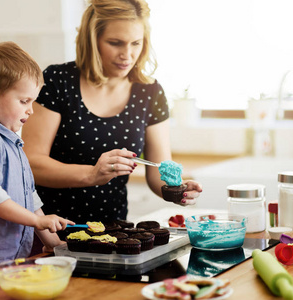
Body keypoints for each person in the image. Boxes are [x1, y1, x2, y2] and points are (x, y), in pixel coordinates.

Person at [22, 0, 202, 233]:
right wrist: (91, 174)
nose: (127, 55)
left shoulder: (149, 91)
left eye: (136, 43)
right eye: (115, 43)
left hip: (114, 231)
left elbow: (158, 171)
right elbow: (31, 164)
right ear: (92, 39)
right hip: (49, 231)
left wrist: (177, 189)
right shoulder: (58, 81)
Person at [0, 41, 74, 281]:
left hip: (11, 258)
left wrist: (53, 242)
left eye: (33, 101)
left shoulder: (13, 143)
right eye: (24, 101)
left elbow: (29, 196)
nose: (31, 110)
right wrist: (38, 220)